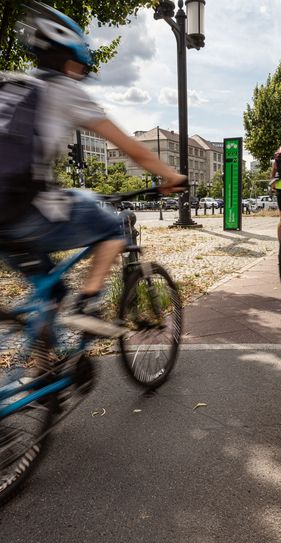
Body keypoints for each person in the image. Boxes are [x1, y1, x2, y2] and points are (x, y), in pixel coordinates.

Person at [0, 1, 186, 336]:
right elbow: (131, 147)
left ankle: (44, 379)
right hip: (26, 212)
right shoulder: (62, 88)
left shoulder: (10, 85)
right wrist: (170, 175)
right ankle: (89, 304)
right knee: (113, 227)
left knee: (51, 296)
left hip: (3, 223)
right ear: (72, 55)